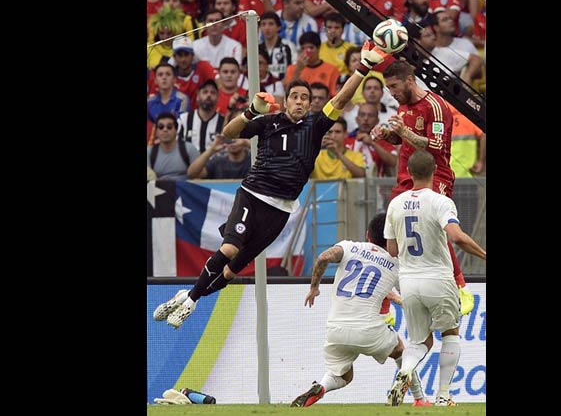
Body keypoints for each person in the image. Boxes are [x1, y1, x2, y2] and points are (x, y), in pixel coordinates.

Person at [153, 40, 393, 329]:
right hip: (252, 195)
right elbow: (230, 133)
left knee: (230, 273)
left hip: (280, 210)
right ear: (286, 99)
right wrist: (250, 111)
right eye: (295, 97)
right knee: (229, 249)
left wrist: (363, 68)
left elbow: (341, 99)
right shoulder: (269, 122)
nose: (301, 102)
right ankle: (191, 301)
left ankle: (188, 294)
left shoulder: (315, 126)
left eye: (306, 97)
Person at [290, 213, 430, 408]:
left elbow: (323, 257)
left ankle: (321, 387)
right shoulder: (396, 263)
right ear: (393, 239)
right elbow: (411, 297)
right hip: (369, 330)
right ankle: (419, 399)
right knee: (400, 351)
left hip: (335, 330)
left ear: (367, 235)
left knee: (343, 376)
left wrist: (314, 287)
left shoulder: (349, 247)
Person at [371, 59, 474, 316]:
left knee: (440, 229)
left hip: (433, 175)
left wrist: (404, 132)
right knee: (392, 229)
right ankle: (390, 296)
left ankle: (461, 286)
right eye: (388, 88)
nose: (391, 92)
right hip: (406, 176)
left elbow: (436, 146)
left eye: (393, 86)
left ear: (409, 81)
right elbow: (402, 138)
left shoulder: (436, 106)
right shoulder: (404, 104)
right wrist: (388, 135)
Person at [384, 149, 486, 407]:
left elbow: (392, 250)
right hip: (438, 278)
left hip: (408, 281)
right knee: (450, 333)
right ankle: (443, 396)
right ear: (433, 172)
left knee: (420, 341)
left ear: (408, 172)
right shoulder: (440, 201)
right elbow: (456, 236)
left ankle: (405, 371)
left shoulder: (395, 204)